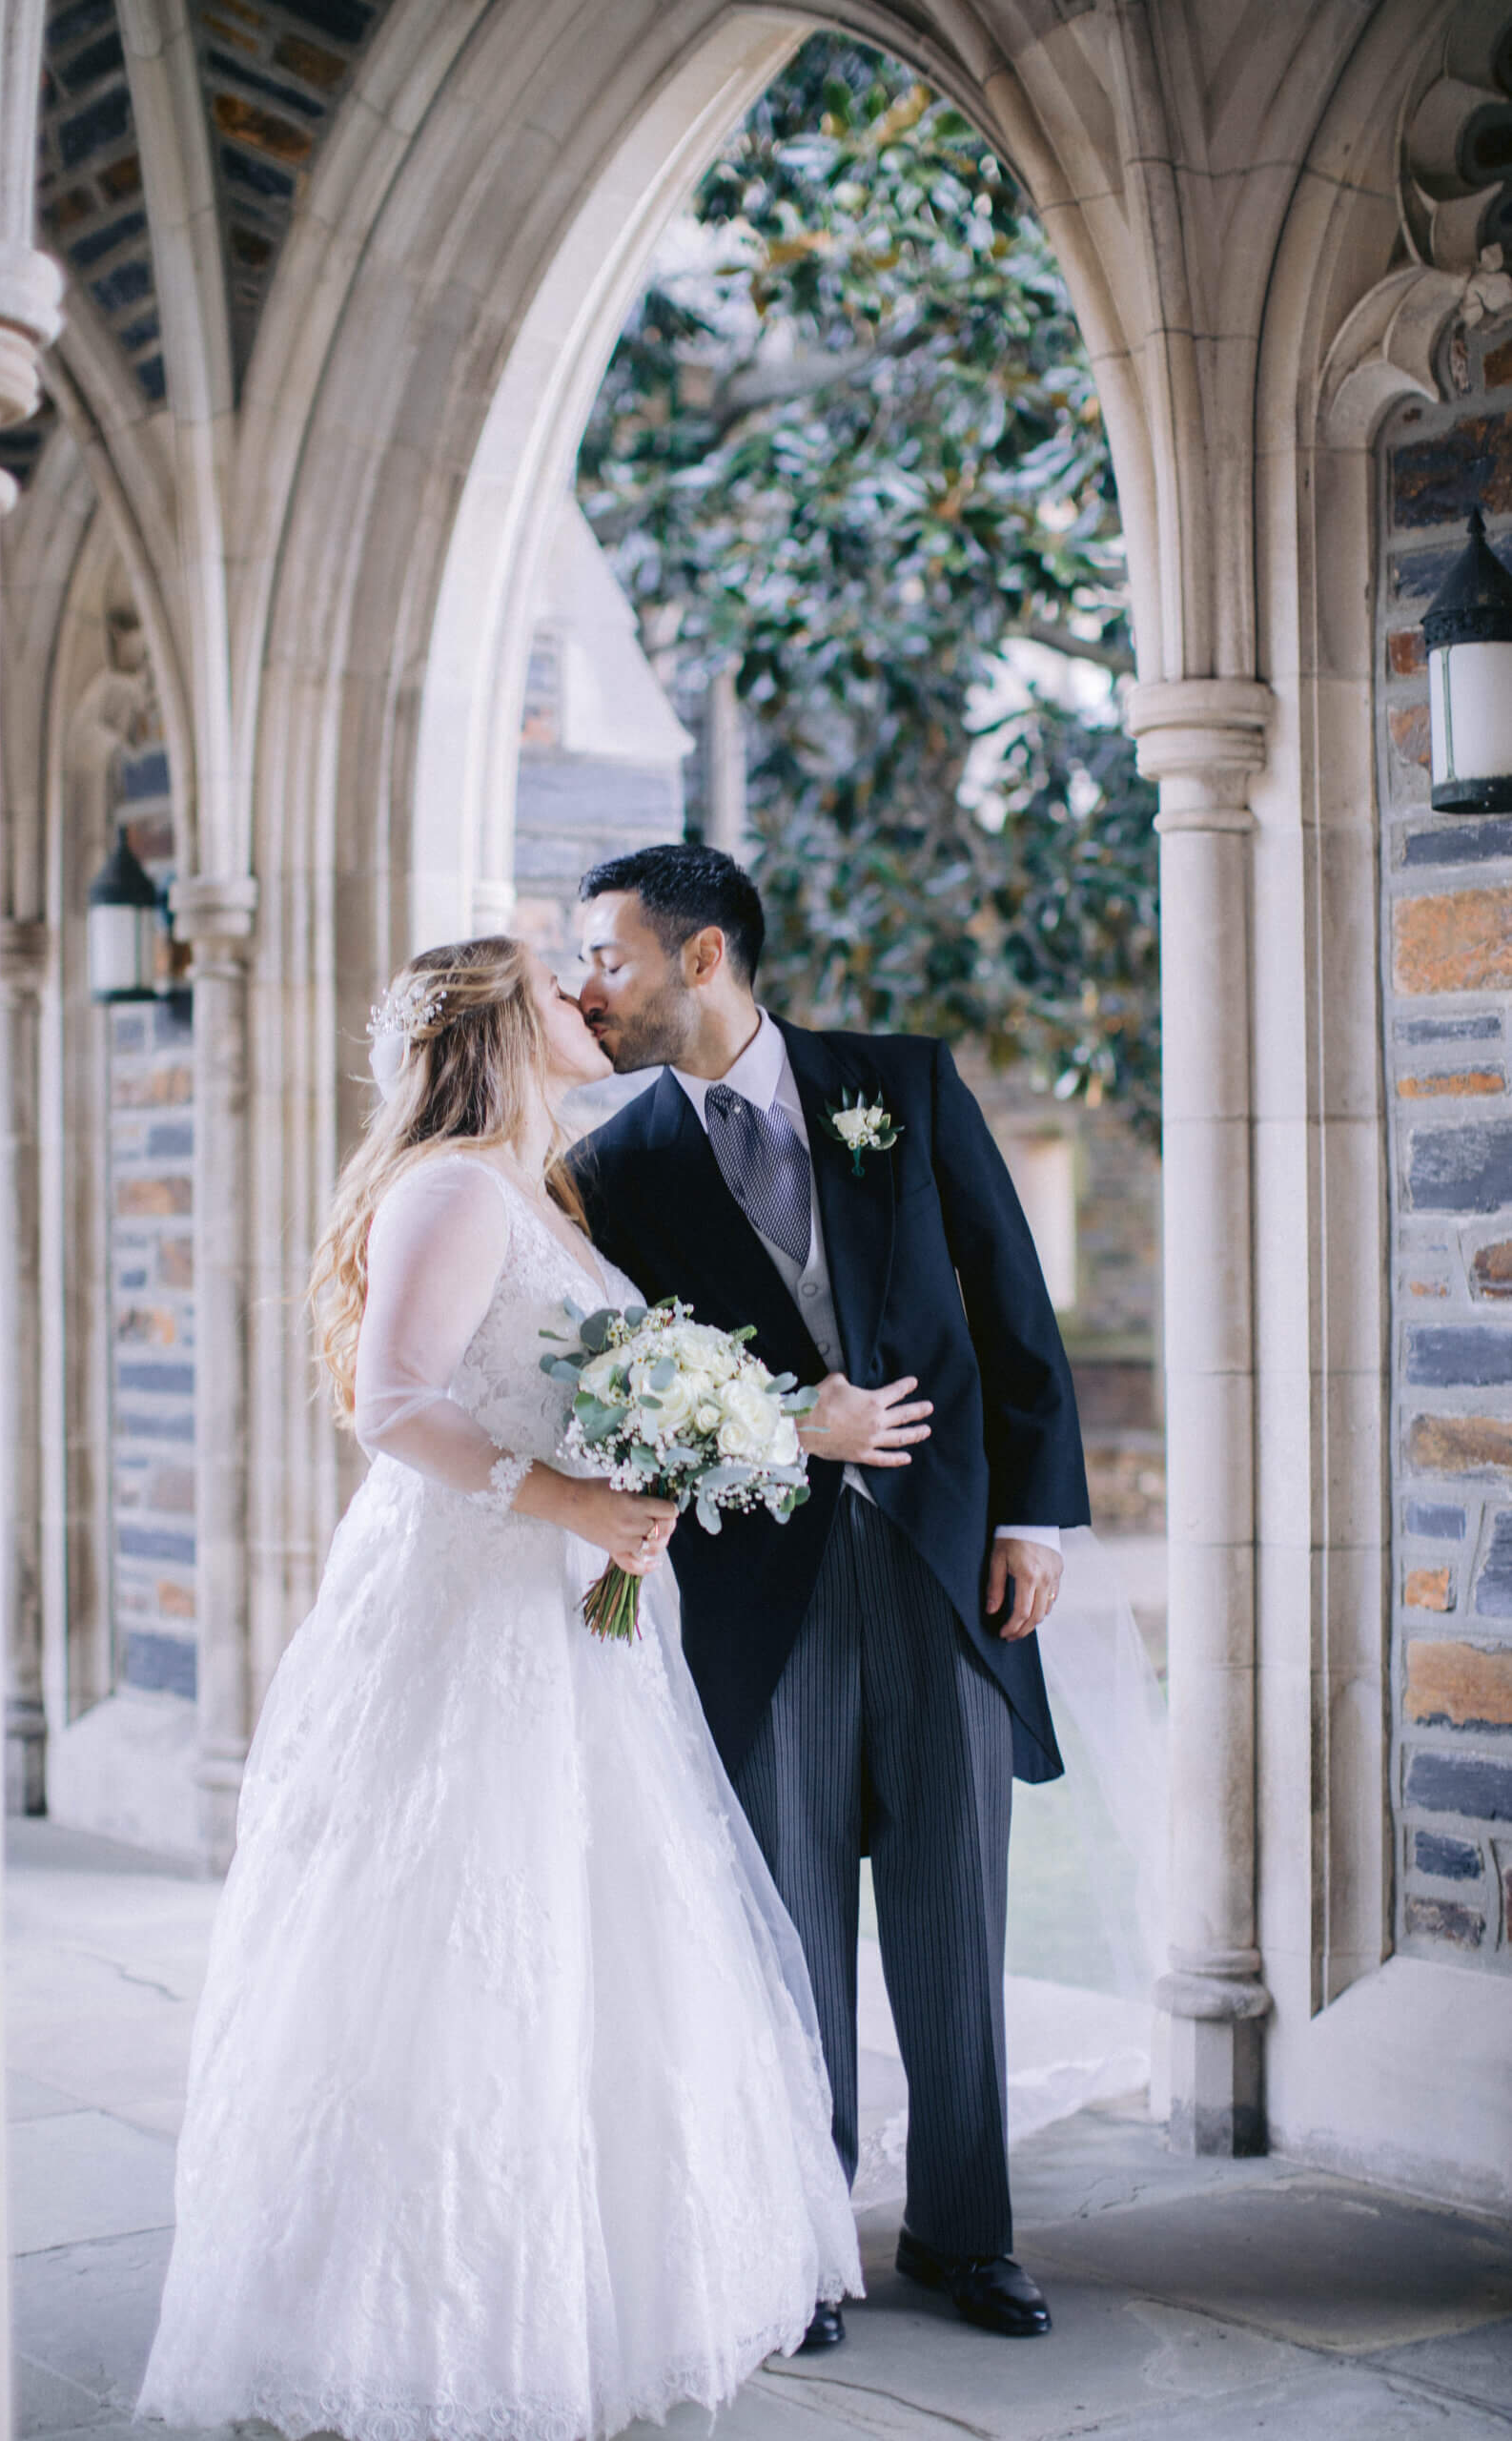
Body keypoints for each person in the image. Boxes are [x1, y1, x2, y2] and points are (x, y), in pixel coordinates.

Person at [136, 936, 860, 2441]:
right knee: (468, 1934)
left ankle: (605, 2286)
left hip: (567, 1614)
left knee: (601, 1929)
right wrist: (575, 1504)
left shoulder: (540, 1195)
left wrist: (683, 1459)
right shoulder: (457, 1187)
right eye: (554, 987)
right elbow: (390, 1403)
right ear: (496, 1029)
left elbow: (553, 1386)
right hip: (473, 1609)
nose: (586, 1001)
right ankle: (423, 2316)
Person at [571, 845, 1090, 2344]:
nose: (589, 984)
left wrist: (1036, 1514)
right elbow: (622, 1398)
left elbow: (1010, 1304)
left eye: (610, 955)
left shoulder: (902, 1087)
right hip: (757, 1596)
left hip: (943, 1566)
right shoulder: (614, 1170)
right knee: (785, 1935)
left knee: (954, 1916)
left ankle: (965, 2233)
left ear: (705, 956)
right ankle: (803, 2241)